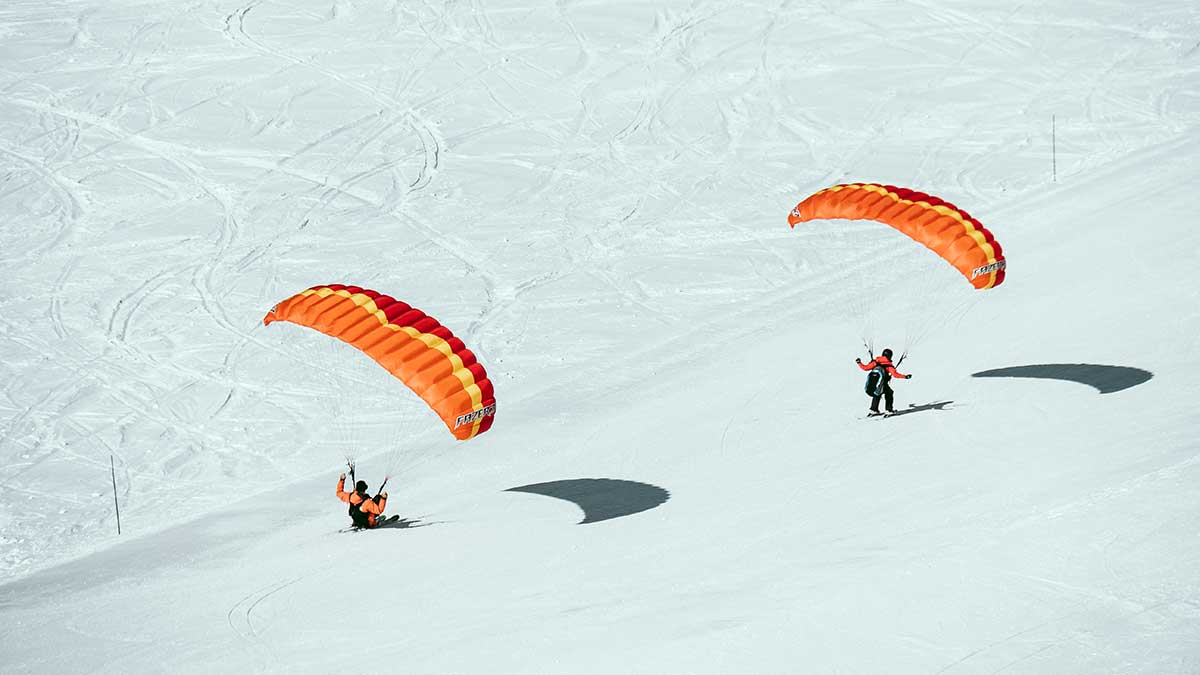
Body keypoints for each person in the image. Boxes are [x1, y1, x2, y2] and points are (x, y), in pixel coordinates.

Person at [856, 348, 912, 415]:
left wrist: (859, 363)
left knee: (877, 392)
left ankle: (873, 409)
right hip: (883, 384)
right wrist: (905, 376)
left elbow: (865, 368)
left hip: (875, 384)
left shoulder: (875, 362)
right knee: (889, 393)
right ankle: (888, 410)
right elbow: (895, 375)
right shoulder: (889, 366)